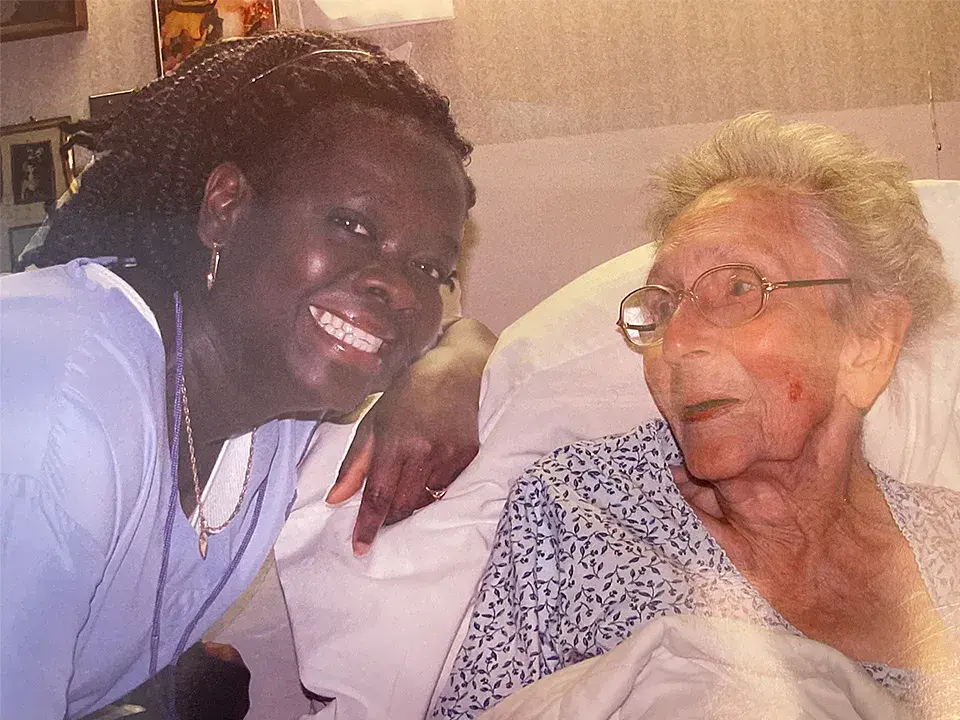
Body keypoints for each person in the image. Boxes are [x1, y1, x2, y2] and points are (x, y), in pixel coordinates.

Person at [0, 30, 495, 719]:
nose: (402, 290)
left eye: (431, 268)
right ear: (225, 208)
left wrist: (463, 359)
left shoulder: (273, 400)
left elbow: (461, 332)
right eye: (352, 225)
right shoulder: (53, 407)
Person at [433, 114, 960, 718]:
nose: (676, 346)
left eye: (738, 289)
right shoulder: (581, 510)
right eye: (660, 308)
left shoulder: (952, 538)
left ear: (868, 341)